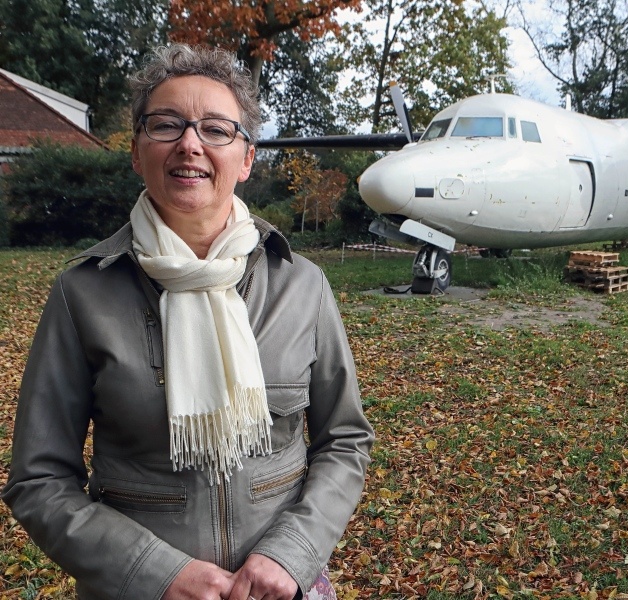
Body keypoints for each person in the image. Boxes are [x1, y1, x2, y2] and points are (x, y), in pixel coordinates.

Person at [2, 44, 373, 600]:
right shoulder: (83, 292)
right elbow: (40, 480)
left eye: (217, 129)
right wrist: (154, 573)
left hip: (278, 588)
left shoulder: (303, 286)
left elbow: (344, 441)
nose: (190, 144)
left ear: (246, 159)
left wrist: (292, 552)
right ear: (136, 152)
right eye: (166, 124)